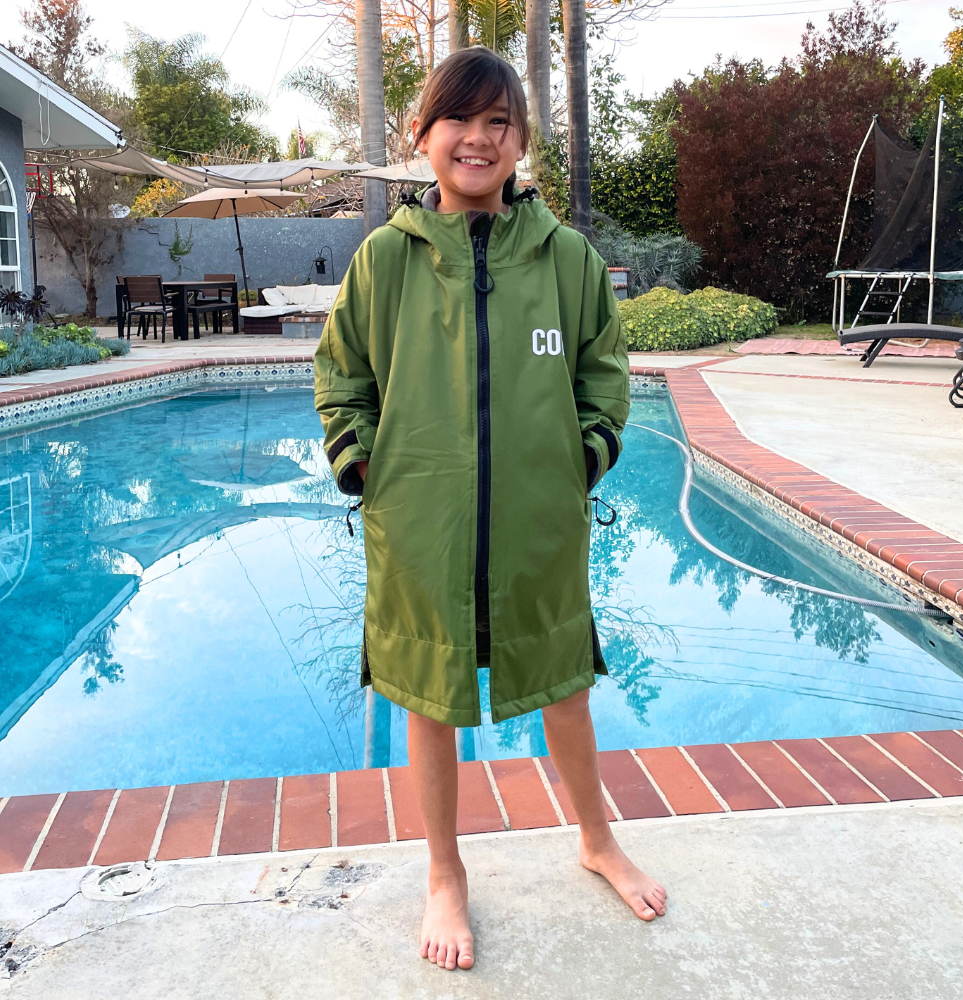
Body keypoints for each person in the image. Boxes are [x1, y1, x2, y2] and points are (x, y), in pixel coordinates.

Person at [314, 45, 666, 973]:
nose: (477, 138)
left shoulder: (566, 260)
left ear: (520, 141)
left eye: (498, 122)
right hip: (418, 527)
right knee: (429, 700)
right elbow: (341, 375)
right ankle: (444, 872)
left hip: (538, 525)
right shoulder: (384, 262)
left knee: (564, 684)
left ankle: (596, 839)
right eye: (458, 119)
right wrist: (363, 467)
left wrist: (582, 458)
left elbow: (605, 374)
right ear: (421, 135)